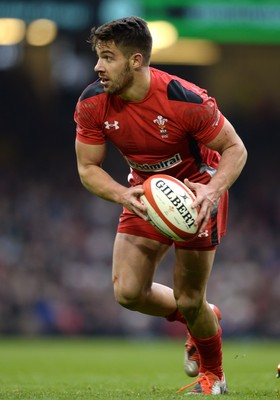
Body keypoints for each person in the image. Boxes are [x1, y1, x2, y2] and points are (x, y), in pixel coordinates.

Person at [74, 16, 247, 395]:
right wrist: (123, 194)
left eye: (107, 57)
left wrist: (212, 191)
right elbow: (88, 167)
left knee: (188, 297)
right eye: (98, 57)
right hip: (144, 192)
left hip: (197, 194)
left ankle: (214, 374)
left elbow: (235, 149)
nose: (97, 66)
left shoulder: (186, 100)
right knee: (128, 292)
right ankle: (202, 316)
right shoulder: (92, 102)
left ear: (136, 61)